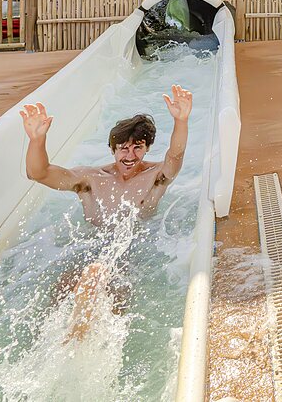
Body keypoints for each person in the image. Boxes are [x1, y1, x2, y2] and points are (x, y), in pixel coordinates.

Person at [19, 84, 193, 338]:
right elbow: (39, 173)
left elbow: (175, 157)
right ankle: (47, 342)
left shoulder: (155, 176)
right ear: (112, 149)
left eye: (137, 148)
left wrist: (181, 121)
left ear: (147, 149)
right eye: (123, 147)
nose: (129, 155)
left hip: (136, 250)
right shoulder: (90, 179)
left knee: (104, 283)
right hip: (90, 246)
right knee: (68, 283)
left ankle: (96, 345)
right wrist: (37, 140)